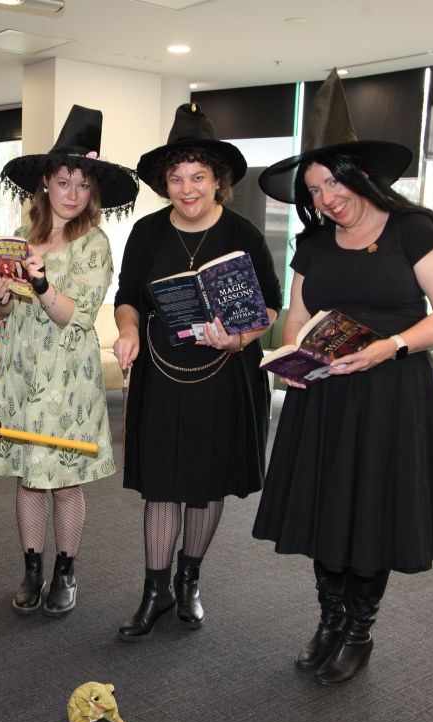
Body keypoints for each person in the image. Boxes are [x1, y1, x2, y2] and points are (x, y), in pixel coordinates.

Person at [252, 71, 433, 685]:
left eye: (333, 183)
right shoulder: (313, 244)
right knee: (325, 509)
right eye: (314, 190)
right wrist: (292, 357)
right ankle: (328, 618)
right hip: (322, 395)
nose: (325, 199)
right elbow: (296, 318)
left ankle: (358, 631)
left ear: (360, 175)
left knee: (371, 509)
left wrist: (388, 348)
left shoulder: (414, 229)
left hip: (389, 393)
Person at [112, 103, 283, 640]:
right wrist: (129, 330)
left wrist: (242, 337)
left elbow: (270, 308)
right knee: (162, 486)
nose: (186, 189)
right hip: (162, 374)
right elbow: (128, 297)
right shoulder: (145, 233)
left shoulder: (245, 235)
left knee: (204, 488)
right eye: (176, 178)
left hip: (224, 376)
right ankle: (155, 590)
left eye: (198, 177)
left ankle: (189, 581)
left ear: (219, 181)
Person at [0, 105, 139, 617]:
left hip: (66, 380)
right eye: (63, 181)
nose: (72, 193)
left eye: (82, 185)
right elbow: (4, 312)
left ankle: (65, 571)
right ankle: (31, 569)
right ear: (45, 184)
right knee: (29, 477)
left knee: (65, 481)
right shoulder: (22, 234)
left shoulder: (94, 244)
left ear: (92, 192)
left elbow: (76, 316)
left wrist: (42, 283)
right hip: (19, 371)